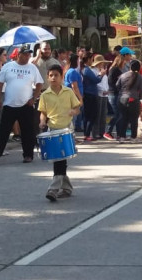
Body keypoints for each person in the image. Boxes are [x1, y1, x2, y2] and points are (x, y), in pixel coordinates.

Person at [0, 44, 43, 163]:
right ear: (19, 54)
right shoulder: (8, 66)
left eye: (29, 54)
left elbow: (39, 84)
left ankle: (28, 155)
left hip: (26, 104)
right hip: (9, 104)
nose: (27, 56)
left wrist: (33, 98)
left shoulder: (32, 68)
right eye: (25, 54)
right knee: (3, 130)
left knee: (27, 131)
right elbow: (0, 83)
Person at [38, 64, 81, 201]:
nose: (53, 78)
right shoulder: (45, 95)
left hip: (67, 128)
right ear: (47, 77)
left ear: (62, 77)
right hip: (53, 129)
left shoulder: (68, 92)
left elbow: (77, 108)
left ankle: (53, 189)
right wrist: (42, 121)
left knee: (59, 159)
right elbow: (43, 113)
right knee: (59, 159)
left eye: (56, 75)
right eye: (51, 75)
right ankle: (67, 188)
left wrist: (73, 111)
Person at [116, 59, 142, 143]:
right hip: (134, 99)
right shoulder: (140, 77)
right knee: (134, 119)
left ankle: (122, 137)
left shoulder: (123, 75)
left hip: (122, 98)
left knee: (123, 117)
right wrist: (140, 98)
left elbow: (117, 85)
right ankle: (133, 137)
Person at [81, 52, 107, 141]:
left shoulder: (86, 69)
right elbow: (96, 80)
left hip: (91, 93)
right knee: (91, 115)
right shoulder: (87, 70)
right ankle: (87, 133)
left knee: (89, 115)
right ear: (88, 59)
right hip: (90, 94)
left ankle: (87, 134)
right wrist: (101, 74)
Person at [105, 55, 125, 140]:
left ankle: (119, 133)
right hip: (113, 93)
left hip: (115, 93)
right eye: (123, 62)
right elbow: (112, 82)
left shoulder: (115, 70)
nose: (124, 64)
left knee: (119, 113)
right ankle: (108, 131)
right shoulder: (115, 70)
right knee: (117, 113)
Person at [91, 55, 111, 139]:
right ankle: (96, 132)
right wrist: (103, 90)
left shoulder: (103, 71)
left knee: (103, 114)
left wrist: (107, 90)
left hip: (105, 94)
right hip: (99, 94)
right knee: (98, 114)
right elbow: (97, 83)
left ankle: (102, 131)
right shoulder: (94, 71)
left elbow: (105, 83)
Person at [64, 53, 83, 130]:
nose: (79, 62)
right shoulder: (72, 72)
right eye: (78, 60)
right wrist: (80, 98)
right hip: (73, 98)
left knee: (74, 117)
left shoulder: (71, 71)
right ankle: (71, 136)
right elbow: (74, 86)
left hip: (73, 97)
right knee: (73, 118)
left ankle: (73, 135)